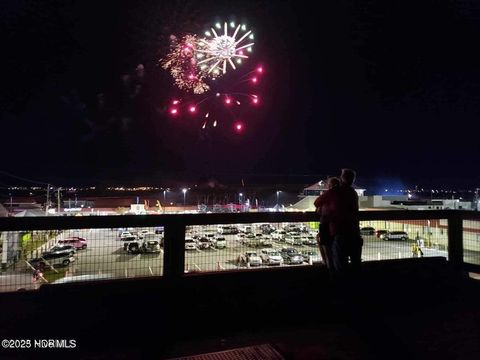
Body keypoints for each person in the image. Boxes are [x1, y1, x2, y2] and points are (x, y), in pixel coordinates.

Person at [314, 169, 362, 274]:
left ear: (341, 178)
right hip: (354, 232)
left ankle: (339, 285)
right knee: (356, 265)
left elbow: (316, 202)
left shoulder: (334, 191)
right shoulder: (353, 193)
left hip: (339, 232)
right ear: (353, 180)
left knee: (340, 265)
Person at [314, 177, 340, 270]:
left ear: (331, 185)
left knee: (328, 253)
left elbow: (316, 203)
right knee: (337, 253)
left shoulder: (330, 193)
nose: (327, 186)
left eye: (328, 184)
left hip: (327, 225)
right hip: (338, 226)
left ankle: (330, 270)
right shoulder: (345, 194)